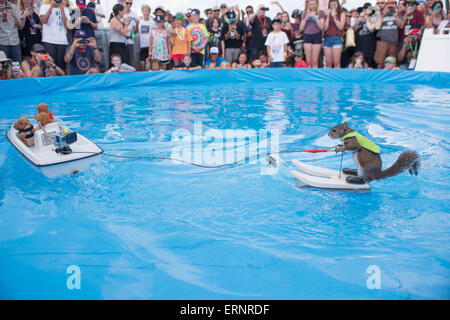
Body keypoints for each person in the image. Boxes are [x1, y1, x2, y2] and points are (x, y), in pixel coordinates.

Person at [39, 0, 71, 70]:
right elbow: (43, 21)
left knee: (62, 68)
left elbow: (68, 27)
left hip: (62, 42)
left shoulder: (65, 9)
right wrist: (51, 7)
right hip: (48, 41)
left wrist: (62, 10)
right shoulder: (44, 6)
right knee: (50, 67)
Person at [374, 1, 404, 69]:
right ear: (385, 7)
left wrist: (396, 16)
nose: (390, 9)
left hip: (393, 42)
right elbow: (376, 27)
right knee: (380, 62)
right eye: (388, 7)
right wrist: (383, 15)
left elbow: (401, 26)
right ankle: (379, 77)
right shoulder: (379, 15)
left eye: (392, 7)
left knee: (392, 62)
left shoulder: (398, 15)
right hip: (382, 41)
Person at [299, 0, 326, 68]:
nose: (312, 6)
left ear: (317, 5)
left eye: (314, 4)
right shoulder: (305, 13)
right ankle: (309, 77)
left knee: (314, 61)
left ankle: (314, 77)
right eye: (311, 4)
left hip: (316, 36)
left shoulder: (321, 13)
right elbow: (301, 29)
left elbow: (321, 27)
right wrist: (305, 19)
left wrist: (316, 18)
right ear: (308, 5)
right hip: (307, 35)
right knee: (308, 61)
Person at [323, 0, 346, 68]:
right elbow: (325, 28)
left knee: (336, 62)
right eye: (331, 5)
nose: (333, 6)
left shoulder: (341, 13)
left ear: (337, 5)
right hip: (327, 38)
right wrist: (327, 17)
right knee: (328, 62)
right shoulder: (327, 14)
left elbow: (340, 27)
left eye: (334, 5)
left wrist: (334, 17)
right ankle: (328, 77)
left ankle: (337, 78)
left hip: (337, 38)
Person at [355, 3, 377, 68]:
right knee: (359, 60)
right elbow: (355, 29)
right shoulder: (360, 17)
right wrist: (358, 21)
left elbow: (372, 30)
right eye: (364, 9)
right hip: (360, 43)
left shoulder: (373, 18)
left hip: (369, 44)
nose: (365, 11)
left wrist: (367, 19)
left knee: (369, 61)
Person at [138, 4, 154, 70]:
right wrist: (132, 38)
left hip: (150, 46)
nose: (146, 13)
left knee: (150, 64)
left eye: (147, 11)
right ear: (142, 12)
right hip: (142, 46)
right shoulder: (139, 21)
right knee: (142, 64)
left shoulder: (152, 22)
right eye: (144, 11)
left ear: (149, 12)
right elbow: (134, 32)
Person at [123, 0, 138, 67]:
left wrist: (137, 24)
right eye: (127, 3)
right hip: (121, 40)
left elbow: (134, 31)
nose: (129, 5)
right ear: (123, 2)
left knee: (131, 61)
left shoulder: (134, 14)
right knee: (122, 61)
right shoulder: (120, 13)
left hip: (130, 40)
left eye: (131, 3)